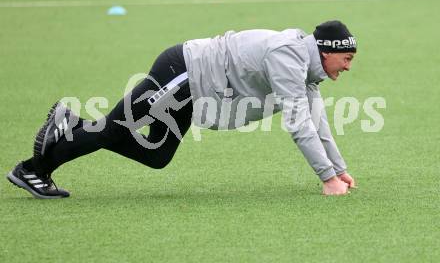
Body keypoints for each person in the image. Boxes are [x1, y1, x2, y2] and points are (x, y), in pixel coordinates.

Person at [7, 20, 357, 199]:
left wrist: (337, 170)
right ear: (327, 52)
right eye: (347, 59)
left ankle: (70, 123)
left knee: (156, 154)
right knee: (116, 128)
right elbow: (299, 124)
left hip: (198, 89)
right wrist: (326, 179)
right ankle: (32, 170)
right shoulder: (289, 57)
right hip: (184, 71)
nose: (348, 67)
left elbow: (317, 121)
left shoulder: (307, 70)